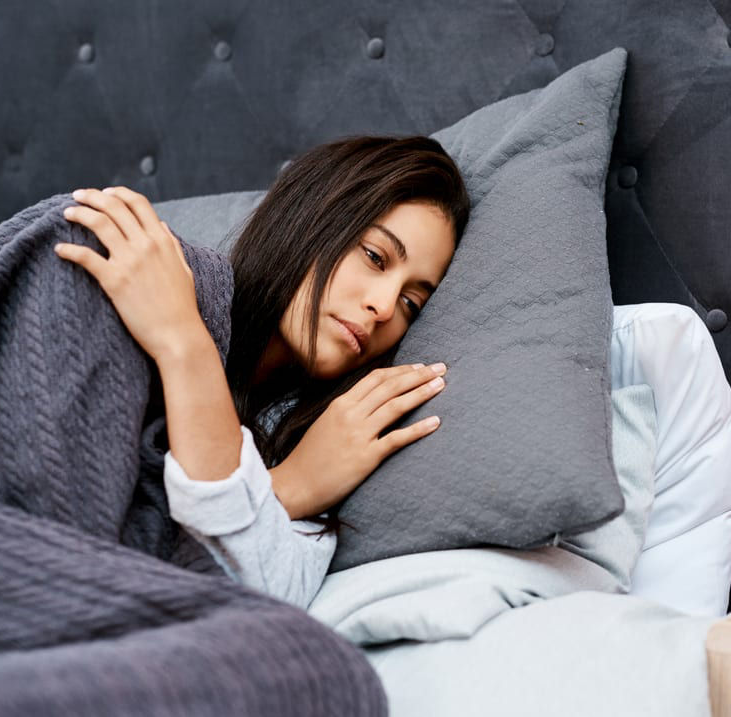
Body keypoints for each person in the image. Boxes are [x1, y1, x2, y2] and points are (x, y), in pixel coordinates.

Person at [55, 135, 471, 608]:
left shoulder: (323, 440)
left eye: (410, 303)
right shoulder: (154, 275)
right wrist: (183, 338)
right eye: (375, 257)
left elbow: (266, 603)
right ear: (310, 214)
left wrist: (294, 483)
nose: (381, 307)